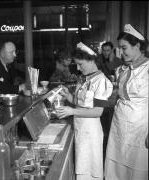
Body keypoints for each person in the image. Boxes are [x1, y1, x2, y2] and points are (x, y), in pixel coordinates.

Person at [56, 42, 113, 180]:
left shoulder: (101, 81)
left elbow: (97, 112)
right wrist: (67, 96)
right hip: (80, 128)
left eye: (80, 64)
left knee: (89, 170)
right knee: (81, 167)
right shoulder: (85, 79)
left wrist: (71, 111)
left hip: (91, 133)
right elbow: (80, 103)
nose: (78, 68)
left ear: (92, 60)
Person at [105, 24, 148, 180]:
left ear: (138, 46)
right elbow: (117, 96)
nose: (121, 53)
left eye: (124, 48)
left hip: (141, 128)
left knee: (138, 168)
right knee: (117, 169)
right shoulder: (121, 70)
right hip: (119, 125)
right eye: (120, 49)